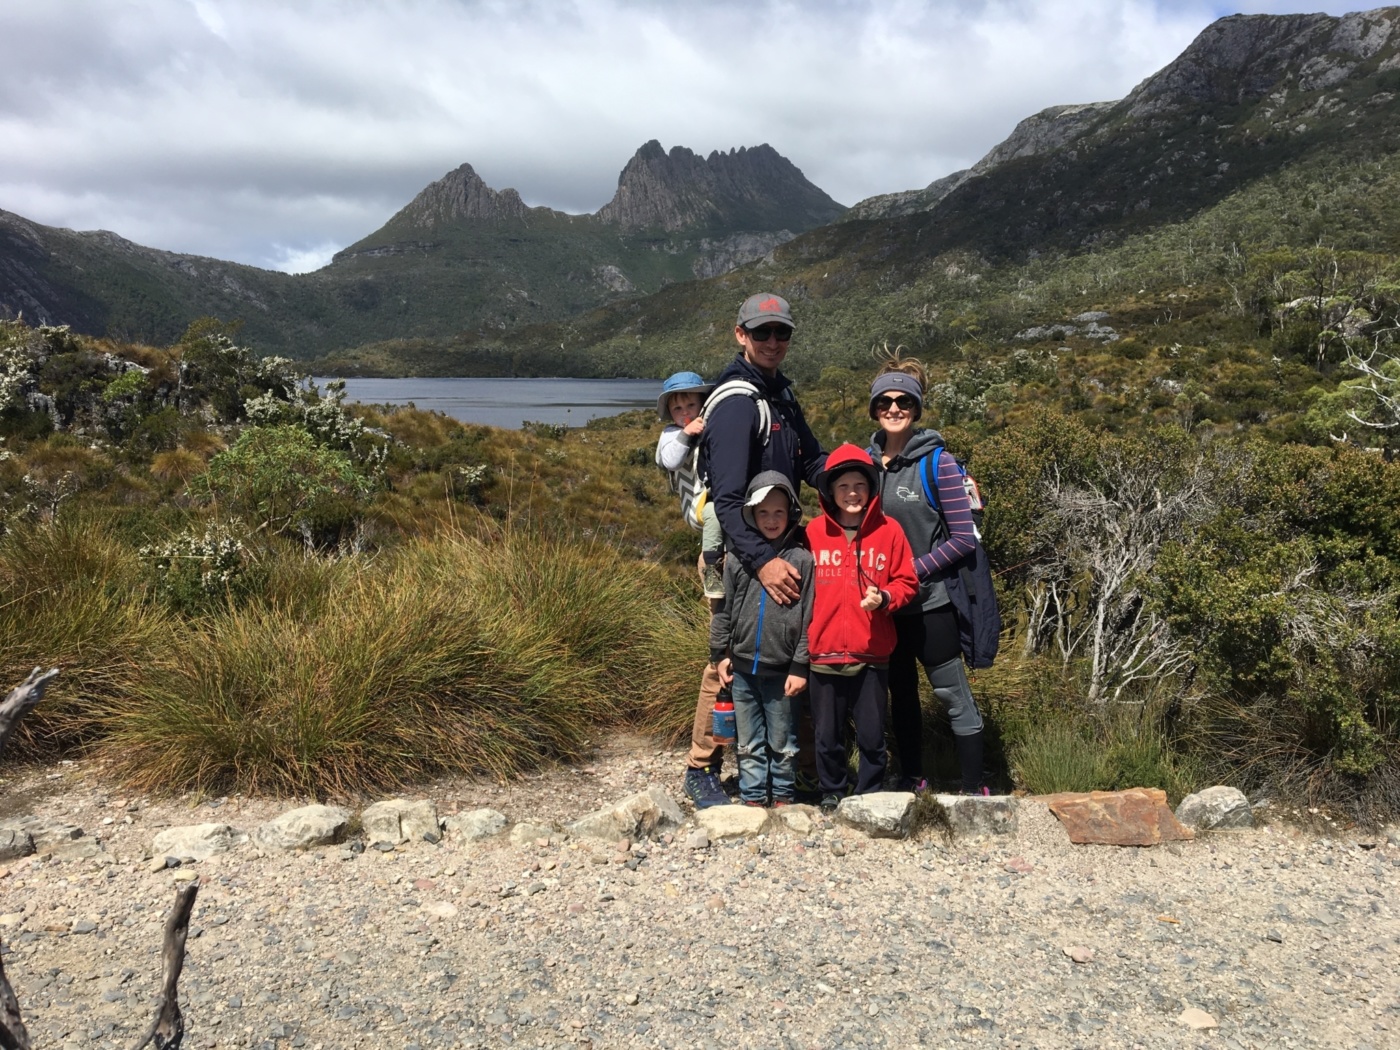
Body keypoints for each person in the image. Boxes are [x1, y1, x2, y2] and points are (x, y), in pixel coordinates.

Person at [682, 292, 827, 809]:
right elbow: (726, 500)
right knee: (726, 656)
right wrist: (763, 563)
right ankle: (701, 767)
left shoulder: (780, 395)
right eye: (761, 332)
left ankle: (795, 770)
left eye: (781, 332)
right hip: (736, 556)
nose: (772, 341)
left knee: (784, 649)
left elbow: (812, 462)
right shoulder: (737, 403)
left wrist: (859, 479)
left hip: (777, 549)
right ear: (740, 334)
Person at [868, 355, 991, 795]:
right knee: (900, 696)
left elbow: (963, 539)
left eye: (904, 401)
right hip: (884, 608)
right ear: (874, 408)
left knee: (952, 694)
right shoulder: (865, 464)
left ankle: (974, 787)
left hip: (929, 604)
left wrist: (909, 572)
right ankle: (912, 779)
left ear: (917, 408)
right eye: (885, 401)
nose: (894, 408)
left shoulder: (938, 464)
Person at [804, 444, 918, 813]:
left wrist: (885, 598)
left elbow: (907, 582)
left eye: (859, 485)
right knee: (826, 734)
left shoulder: (889, 530)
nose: (852, 493)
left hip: (872, 653)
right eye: (843, 486)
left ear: (871, 489)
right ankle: (832, 790)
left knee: (871, 734)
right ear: (830, 491)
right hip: (822, 652)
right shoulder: (813, 532)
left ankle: (869, 792)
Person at [710, 471, 813, 807]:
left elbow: (809, 618)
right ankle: (753, 797)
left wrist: (800, 665)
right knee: (748, 741)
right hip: (741, 670)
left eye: (779, 512)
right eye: (763, 512)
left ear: (792, 513)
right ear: (751, 514)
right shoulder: (738, 559)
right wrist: (719, 654)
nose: (771, 519)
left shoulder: (802, 560)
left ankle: (783, 797)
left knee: (783, 741)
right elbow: (723, 610)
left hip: (783, 671)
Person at [654, 371, 725, 598]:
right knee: (714, 515)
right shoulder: (670, 434)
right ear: (669, 412)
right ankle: (712, 571)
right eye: (678, 408)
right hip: (695, 504)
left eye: (691, 405)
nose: (685, 412)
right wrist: (685, 434)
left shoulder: (711, 427)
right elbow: (670, 461)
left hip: (715, 497)